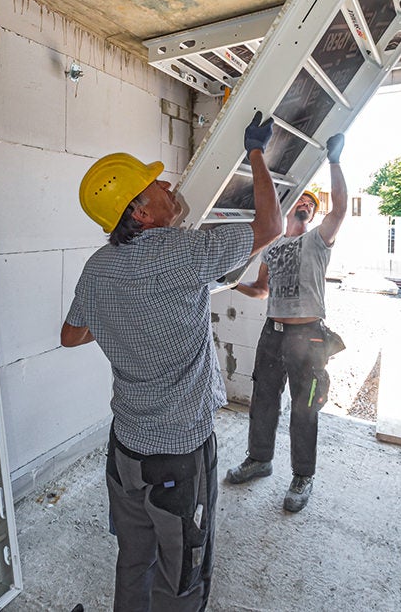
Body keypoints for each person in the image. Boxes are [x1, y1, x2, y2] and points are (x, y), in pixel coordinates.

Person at [60, 112, 282, 612]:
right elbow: (272, 226)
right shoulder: (183, 253)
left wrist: (121, 313)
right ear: (140, 212)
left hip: (125, 451)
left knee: (133, 558)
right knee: (182, 574)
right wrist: (256, 153)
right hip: (179, 456)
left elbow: (71, 335)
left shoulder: (97, 268)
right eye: (153, 183)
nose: (166, 184)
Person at [225, 133, 347, 513]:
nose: (306, 206)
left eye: (312, 204)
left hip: (307, 337)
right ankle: (259, 459)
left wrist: (334, 161)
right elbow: (262, 290)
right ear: (290, 206)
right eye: (302, 201)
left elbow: (340, 209)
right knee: (263, 400)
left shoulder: (319, 240)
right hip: (272, 333)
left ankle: (302, 476)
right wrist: (231, 284)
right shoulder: (272, 246)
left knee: (304, 408)